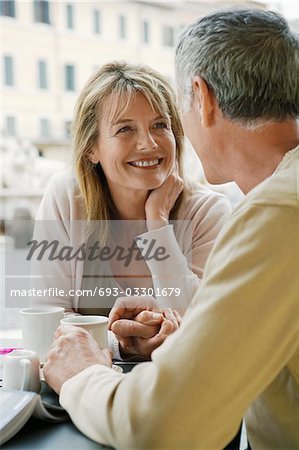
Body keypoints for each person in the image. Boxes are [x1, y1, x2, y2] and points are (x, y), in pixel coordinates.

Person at [44, 9, 299, 450]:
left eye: (165, 119)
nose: (152, 142)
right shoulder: (278, 205)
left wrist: (83, 374)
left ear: (200, 98)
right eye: (125, 129)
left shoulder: (277, 214)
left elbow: (160, 424)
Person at [31, 62, 230, 357]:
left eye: (160, 125)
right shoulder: (67, 197)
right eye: (125, 129)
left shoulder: (208, 211)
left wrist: (158, 225)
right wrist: (123, 346)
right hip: (84, 388)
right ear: (91, 149)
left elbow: (205, 328)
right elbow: (48, 322)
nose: (148, 143)